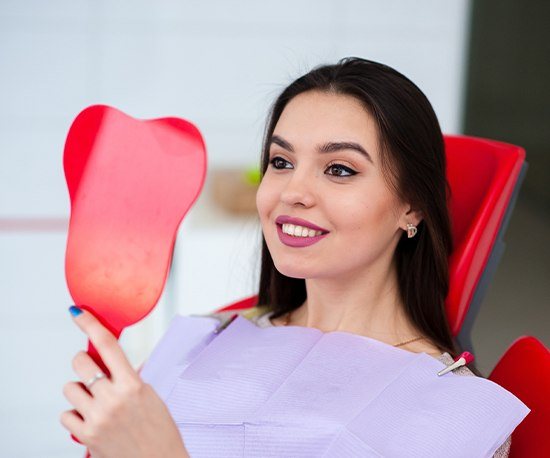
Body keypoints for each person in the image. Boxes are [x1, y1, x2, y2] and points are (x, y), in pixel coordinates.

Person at [61, 58, 523, 457]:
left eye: (339, 169)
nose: (292, 193)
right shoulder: (206, 339)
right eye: (281, 162)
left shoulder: (458, 417)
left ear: (412, 206)